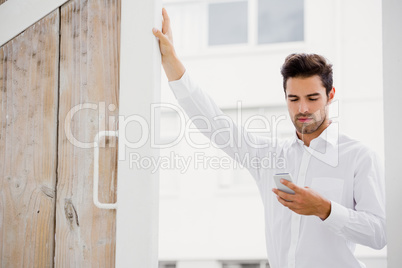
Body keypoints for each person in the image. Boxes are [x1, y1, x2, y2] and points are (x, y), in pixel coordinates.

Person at [152, 8, 386, 268]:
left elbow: (379, 233)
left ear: (330, 95)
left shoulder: (359, 157)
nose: (303, 109)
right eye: (293, 99)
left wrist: (325, 209)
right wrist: (170, 61)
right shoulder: (269, 155)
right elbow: (213, 123)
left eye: (312, 98)